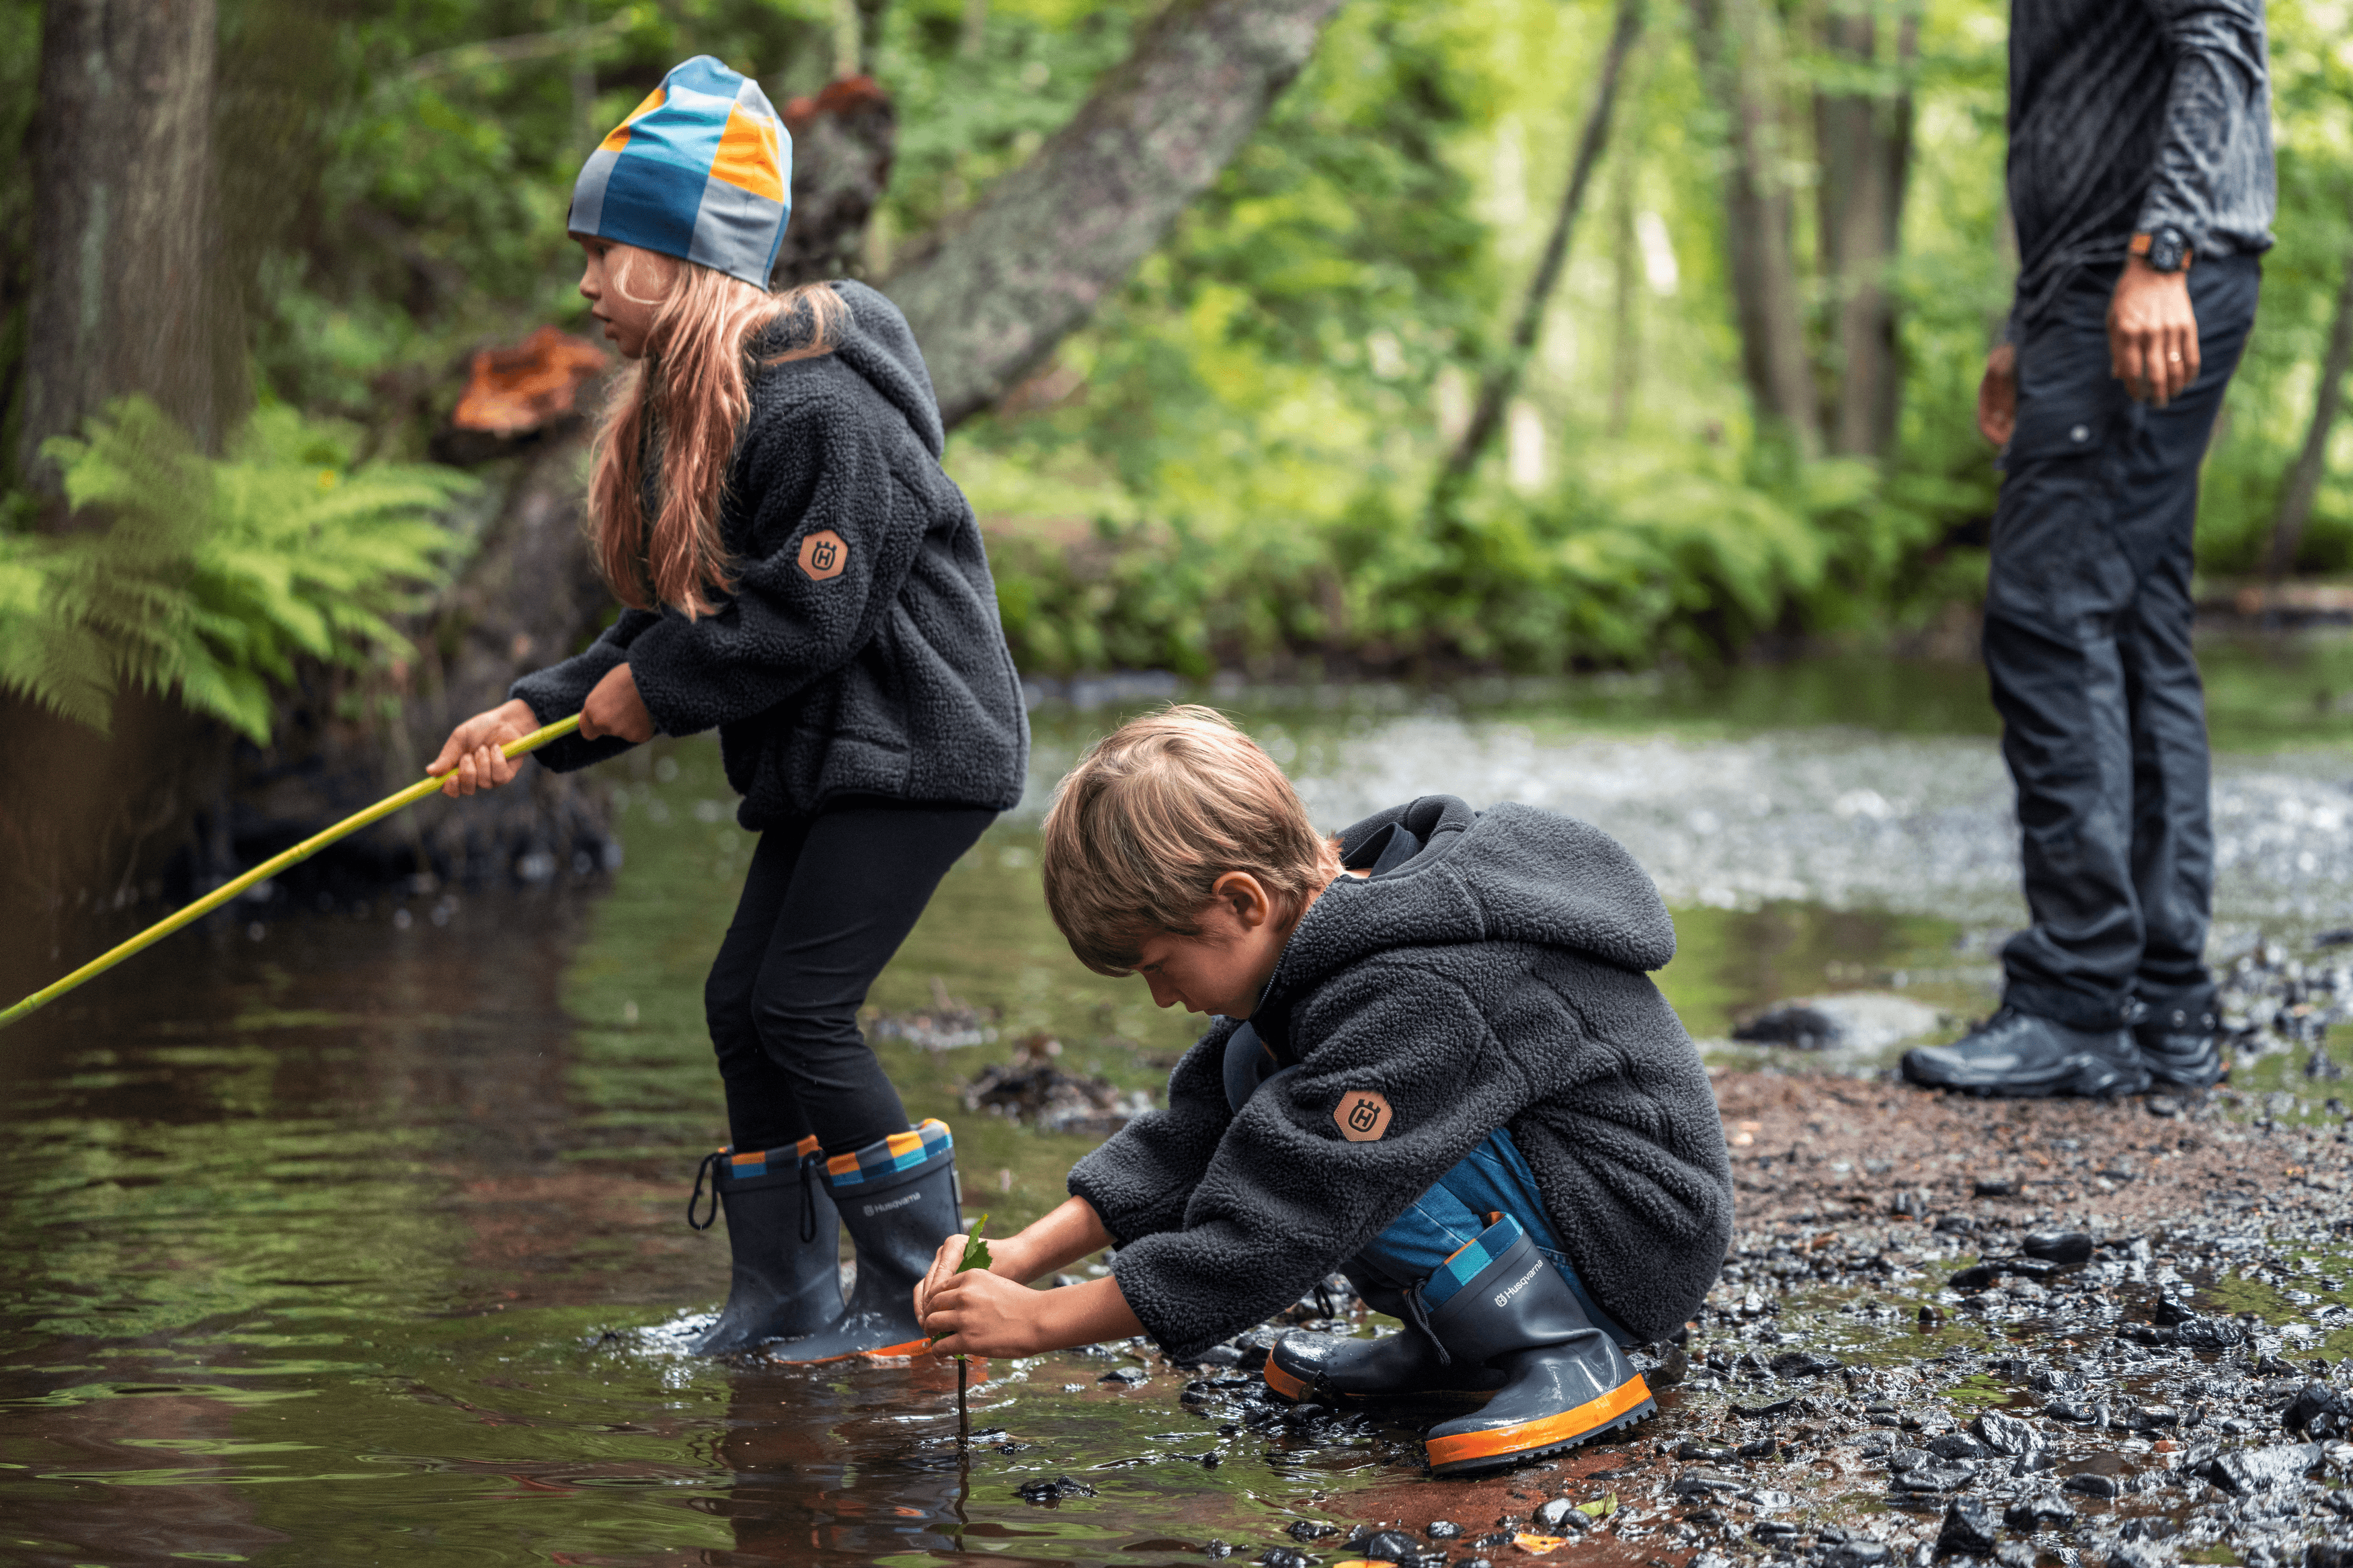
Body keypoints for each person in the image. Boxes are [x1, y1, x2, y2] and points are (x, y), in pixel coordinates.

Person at [428, 56, 1027, 1360]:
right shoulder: (712, 405)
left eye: (609, 251)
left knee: (802, 1006)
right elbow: (686, 615)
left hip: (921, 750)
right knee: (737, 999)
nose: (585, 283)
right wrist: (531, 719)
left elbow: (807, 615)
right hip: (836, 757)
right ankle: (782, 1294)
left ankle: (921, 1295)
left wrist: (648, 694)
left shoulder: (819, 406)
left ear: (687, 255)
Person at [914, 707, 1730, 1475]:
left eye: (1159, 965)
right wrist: (1022, 1255)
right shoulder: (1321, 933)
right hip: (1566, 1202)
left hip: (1630, 1242)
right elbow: (1194, 1133)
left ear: (1240, 899)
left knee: (1325, 1143)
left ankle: (1558, 1350)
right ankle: (1456, 1344)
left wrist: (1038, 1321)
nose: (1160, 998)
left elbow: (1284, 1215)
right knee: (1246, 1073)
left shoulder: (1415, 986)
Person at [1902, 0, 2274, 1099]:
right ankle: (2162, 1000)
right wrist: (2030, 319)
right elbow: (2081, 105)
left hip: (2146, 269)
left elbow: (2219, 36)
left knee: (2046, 618)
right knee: (2136, 622)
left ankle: (2079, 996)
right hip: (2098, 282)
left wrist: (2163, 253)